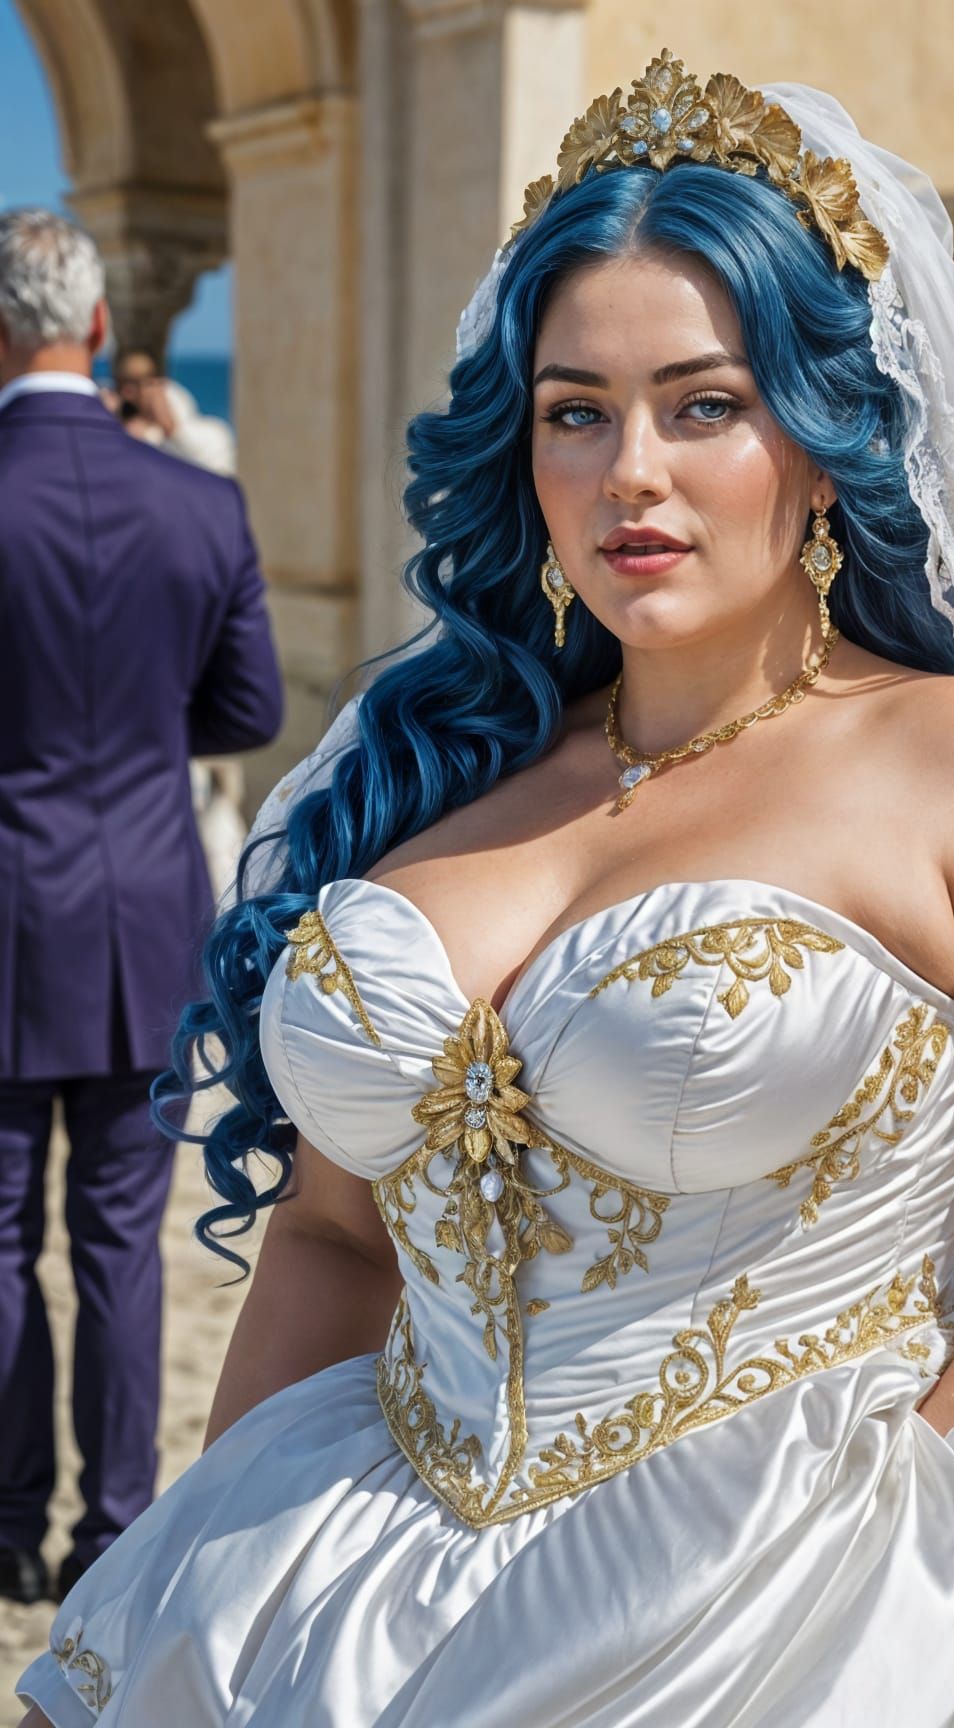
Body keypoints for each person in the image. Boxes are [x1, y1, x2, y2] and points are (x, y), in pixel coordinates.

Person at [17, 61, 954, 1728]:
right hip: (356, 1584)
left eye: (699, 403)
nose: (627, 471)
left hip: (802, 1604)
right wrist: (212, 1586)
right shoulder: (431, 772)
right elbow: (336, 1237)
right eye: (575, 409)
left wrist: (901, 1524)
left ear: (815, 436)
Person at [0, 209, 284, 1610]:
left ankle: (3, 1521)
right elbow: (250, 707)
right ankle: (113, 1528)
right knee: (119, 1236)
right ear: (100, 327)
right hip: (142, 910)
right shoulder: (199, 502)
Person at [113, 347, 237, 476]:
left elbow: (190, 448)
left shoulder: (172, 399)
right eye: (124, 383)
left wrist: (166, 426)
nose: (128, 391)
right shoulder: (118, 410)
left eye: (139, 382)